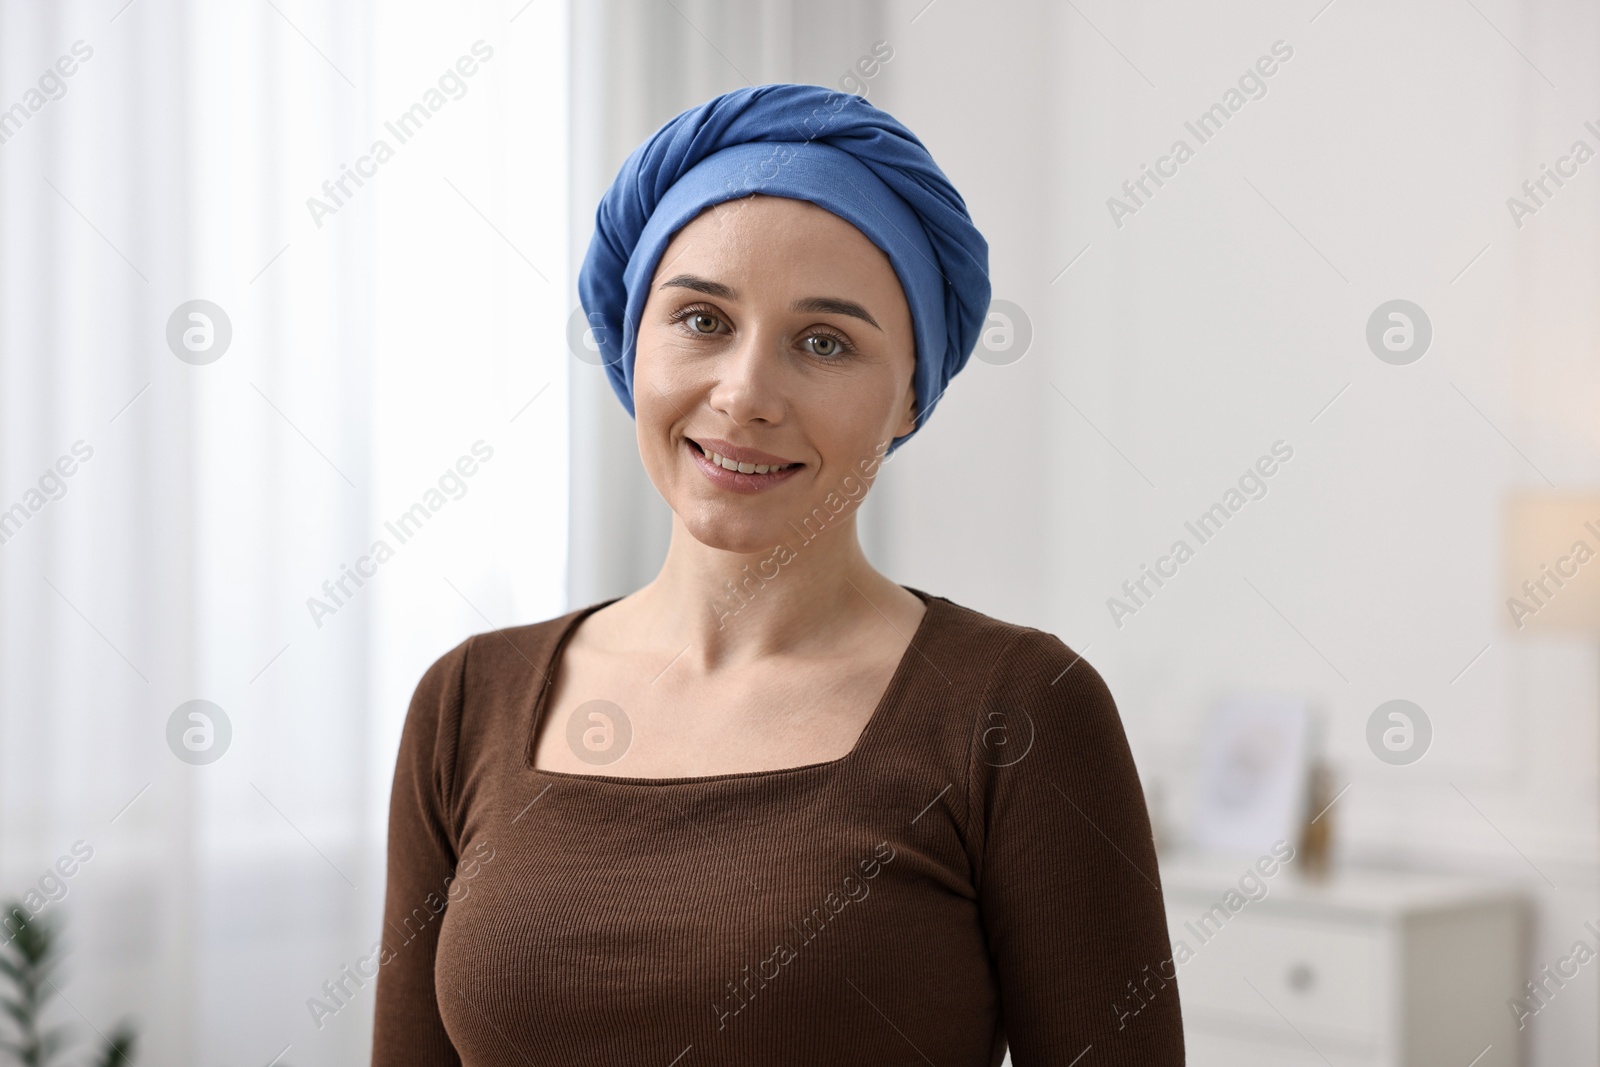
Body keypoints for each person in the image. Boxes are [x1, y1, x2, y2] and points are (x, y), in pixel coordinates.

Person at [371, 83, 1184, 1066]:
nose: (746, 393)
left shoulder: (1014, 709)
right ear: (633, 343)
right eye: (702, 320)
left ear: (910, 395)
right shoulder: (468, 700)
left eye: (824, 340)